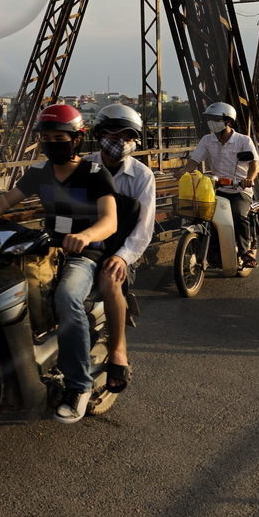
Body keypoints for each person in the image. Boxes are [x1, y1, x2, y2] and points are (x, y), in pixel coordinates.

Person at [0, 103, 117, 423]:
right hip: (44, 247)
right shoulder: (39, 173)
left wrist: (85, 236)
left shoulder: (95, 174)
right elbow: (4, 202)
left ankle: (78, 385)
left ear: (77, 139)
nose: (53, 143)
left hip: (82, 254)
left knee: (68, 297)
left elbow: (110, 221)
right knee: (3, 288)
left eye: (60, 137)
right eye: (47, 137)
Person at [81, 103, 155, 396]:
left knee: (110, 279)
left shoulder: (141, 176)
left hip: (120, 248)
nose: (119, 141)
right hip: (86, 242)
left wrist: (122, 257)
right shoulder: (85, 166)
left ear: (135, 139)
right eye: (112, 133)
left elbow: (144, 228)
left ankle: (118, 352)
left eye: (126, 135)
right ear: (99, 135)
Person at [182, 101, 259, 267]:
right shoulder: (207, 140)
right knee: (200, 215)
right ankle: (207, 250)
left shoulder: (243, 141)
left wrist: (249, 179)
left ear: (228, 121)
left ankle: (245, 251)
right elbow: (194, 161)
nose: (211, 122)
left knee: (238, 215)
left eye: (215, 119)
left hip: (239, 189)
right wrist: (182, 173)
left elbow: (254, 164)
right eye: (209, 119)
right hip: (216, 188)